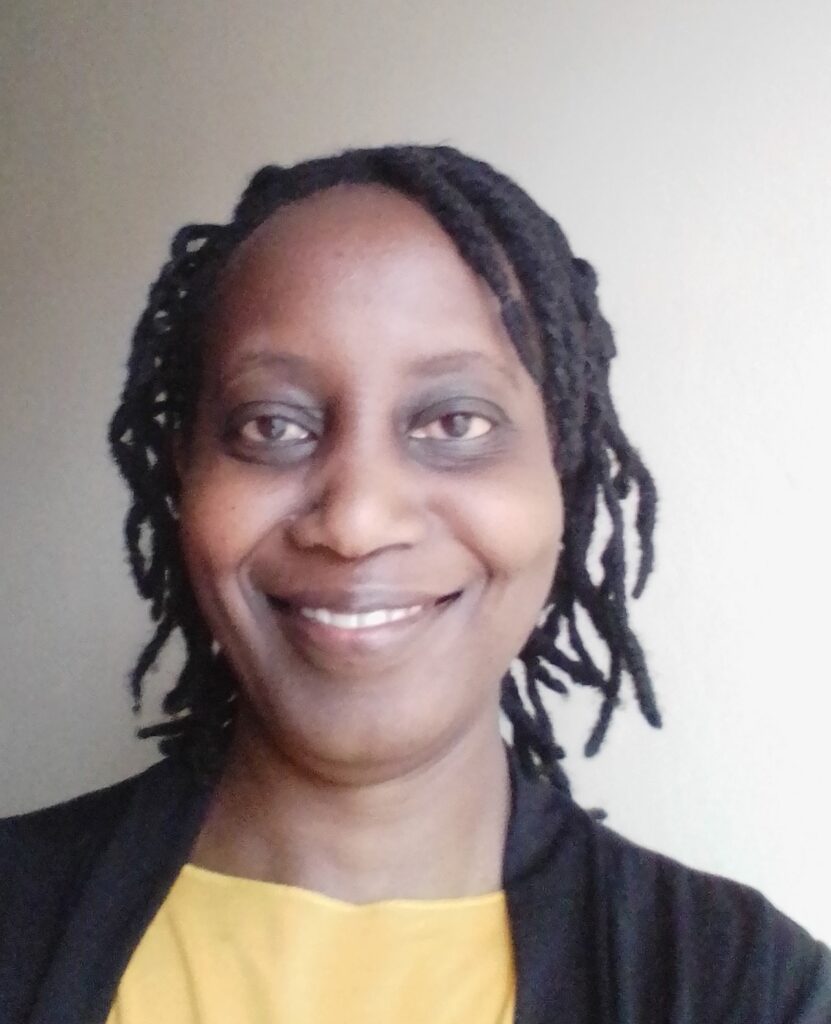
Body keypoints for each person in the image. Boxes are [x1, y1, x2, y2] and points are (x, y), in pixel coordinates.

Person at [0, 145, 828, 1024]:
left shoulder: (752, 993)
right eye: (272, 424)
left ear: (561, 476)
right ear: (184, 478)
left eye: (455, 421)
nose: (356, 521)